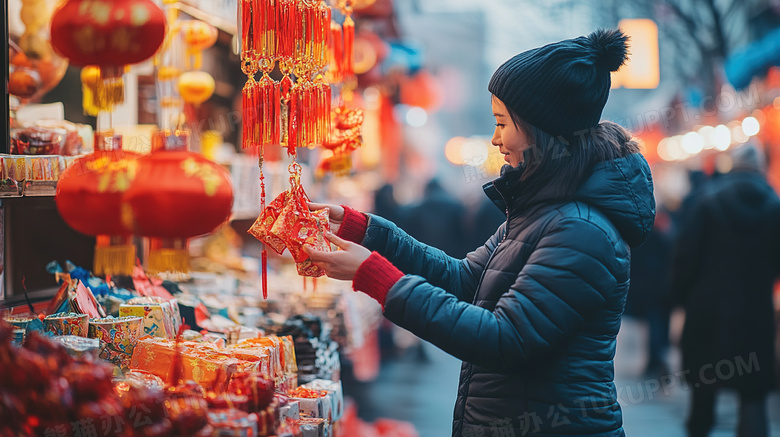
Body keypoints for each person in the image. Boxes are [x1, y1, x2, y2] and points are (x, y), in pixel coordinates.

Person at [307, 29, 655, 436]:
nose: (495, 139)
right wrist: (369, 232)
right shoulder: (541, 211)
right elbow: (466, 280)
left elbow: (505, 339)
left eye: (503, 123)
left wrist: (377, 278)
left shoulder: (582, 229)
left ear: (541, 128)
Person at [671, 144, 780, 437]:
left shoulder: (707, 202)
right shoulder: (776, 207)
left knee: (703, 400)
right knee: (753, 398)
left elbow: (684, 258)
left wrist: (678, 298)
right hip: (755, 317)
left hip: (707, 314)